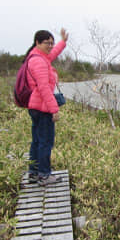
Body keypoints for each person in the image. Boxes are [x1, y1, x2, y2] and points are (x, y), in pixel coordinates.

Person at [25, 28, 68, 186]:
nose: (50, 46)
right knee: (45, 142)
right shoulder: (38, 61)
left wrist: (63, 42)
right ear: (37, 43)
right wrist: (54, 109)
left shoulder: (39, 57)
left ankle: (34, 172)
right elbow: (44, 88)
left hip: (36, 106)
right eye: (47, 43)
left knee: (37, 140)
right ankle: (44, 175)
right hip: (42, 108)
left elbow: (53, 54)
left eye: (52, 43)